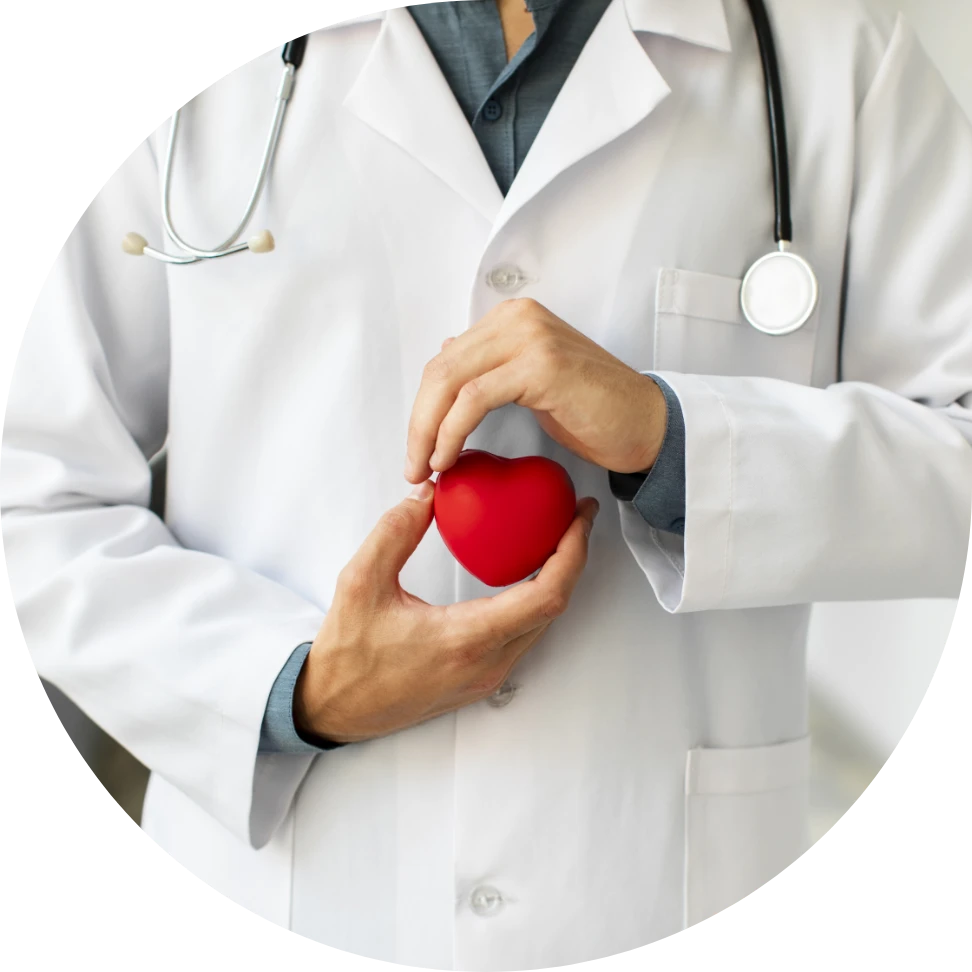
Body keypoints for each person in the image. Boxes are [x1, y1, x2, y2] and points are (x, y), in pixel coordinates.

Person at [4, 1, 971, 970]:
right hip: (286, 894)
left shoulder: (835, 55)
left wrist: (672, 436)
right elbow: (29, 493)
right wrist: (298, 691)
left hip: (658, 887)